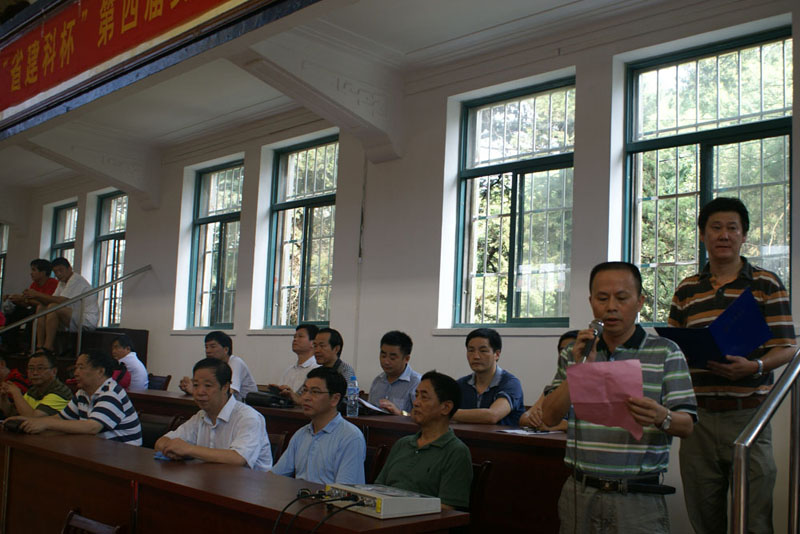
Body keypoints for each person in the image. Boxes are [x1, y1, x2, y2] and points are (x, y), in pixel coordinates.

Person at [669, 197, 796, 534]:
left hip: (749, 415)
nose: (723, 235)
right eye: (715, 228)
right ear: (702, 235)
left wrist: (755, 366)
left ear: (743, 235)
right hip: (698, 419)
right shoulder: (687, 289)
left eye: (731, 228)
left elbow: (787, 347)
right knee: (704, 519)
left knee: (754, 520)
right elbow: (672, 349)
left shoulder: (766, 283)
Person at [542, 261, 696, 534]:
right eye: (602, 298)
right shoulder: (575, 352)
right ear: (591, 302)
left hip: (638, 499)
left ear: (640, 302)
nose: (611, 306)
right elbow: (549, 416)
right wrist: (579, 369)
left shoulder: (666, 352)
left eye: (622, 298)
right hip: (580, 492)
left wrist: (661, 416)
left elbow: (687, 425)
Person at [375, 370, 472, 509]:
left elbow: (448, 508)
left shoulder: (456, 452)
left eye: (424, 397)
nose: (416, 403)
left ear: (446, 407)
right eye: (416, 396)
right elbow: (378, 489)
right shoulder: (403, 444)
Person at [155, 358, 272, 471]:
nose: (199, 392)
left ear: (225, 387)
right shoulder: (200, 416)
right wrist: (171, 449)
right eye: (195, 385)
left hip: (249, 483)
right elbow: (161, 443)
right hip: (211, 481)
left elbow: (238, 458)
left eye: (208, 386)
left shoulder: (249, 418)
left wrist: (189, 450)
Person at [7, 350, 142, 445]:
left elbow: (92, 427)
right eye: (76, 368)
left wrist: (45, 423)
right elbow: (61, 418)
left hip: (122, 456)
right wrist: (27, 421)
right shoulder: (82, 393)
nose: (76, 373)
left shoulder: (111, 393)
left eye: (81, 368)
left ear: (100, 371)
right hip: (96, 449)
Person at [272, 366, 366, 484]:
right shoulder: (301, 434)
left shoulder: (350, 437)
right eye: (304, 390)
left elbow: (346, 490)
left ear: (335, 399)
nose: (305, 397)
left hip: (328, 496)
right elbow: (275, 476)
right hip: (298, 494)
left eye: (315, 392)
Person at [452, 328, 524, 426]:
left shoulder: (510, 383)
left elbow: (493, 415)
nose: (476, 356)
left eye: (483, 351)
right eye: (471, 350)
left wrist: (446, 413)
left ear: (496, 354)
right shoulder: (460, 384)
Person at [25, 257, 99, 352]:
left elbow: (62, 301)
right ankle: (40, 345)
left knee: (53, 307)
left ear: (69, 269)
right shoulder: (62, 282)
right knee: (41, 308)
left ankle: (48, 347)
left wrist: (37, 294)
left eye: (61, 270)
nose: (58, 274)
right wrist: (30, 298)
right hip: (73, 316)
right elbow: (51, 300)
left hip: (86, 320)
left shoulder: (76, 280)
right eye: (55, 272)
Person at [518, 330, 577, 431]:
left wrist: (560, 425)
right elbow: (523, 419)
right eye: (562, 350)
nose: (566, 354)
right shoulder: (555, 387)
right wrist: (534, 420)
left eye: (571, 349)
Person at [179, 331, 257, 401]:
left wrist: (194, 390)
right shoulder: (213, 366)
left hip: (248, 406)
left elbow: (229, 392)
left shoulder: (235, 362)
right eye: (206, 347)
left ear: (226, 350)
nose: (208, 351)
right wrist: (188, 386)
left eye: (213, 347)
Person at [1, 259, 59, 352]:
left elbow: (45, 303)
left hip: (45, 312)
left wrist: (24, 299)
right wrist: (16, 300)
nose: (31, 273)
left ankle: (28, 344)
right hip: (34, 309)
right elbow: (27, 303)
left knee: (33, 312)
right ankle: (9, 344)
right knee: (16, 311)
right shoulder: (34, 284)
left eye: (34, 270)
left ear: (43, 272)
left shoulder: (53, 283)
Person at [0, 351, 71, 417]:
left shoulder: (60, 392)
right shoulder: (33, 390)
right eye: (31, 368)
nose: (35, 373)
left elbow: (33, 419)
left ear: (54, 371)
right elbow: (12, 413)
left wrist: (16, 393)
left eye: (40, 368)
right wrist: (3, 398)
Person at [368, 330, 421, 415]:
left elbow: (424, 418)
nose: (386, 362)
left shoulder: (417, 383)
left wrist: (400, 413)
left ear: (406, 359)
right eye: (383, 356)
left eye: (392, 358)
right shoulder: (378, 381)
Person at [273, 324, 320, 405]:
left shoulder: (317, 370)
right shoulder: (289, 371)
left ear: (313, 343)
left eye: (300, 336)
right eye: (294, 337)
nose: (295, 339)